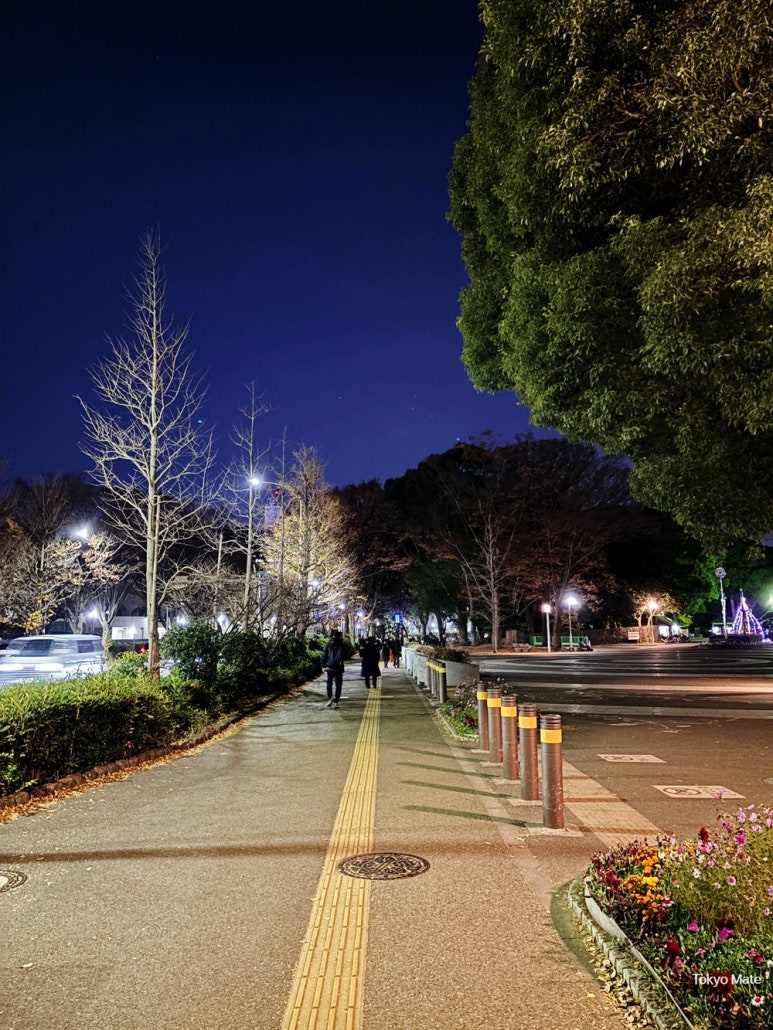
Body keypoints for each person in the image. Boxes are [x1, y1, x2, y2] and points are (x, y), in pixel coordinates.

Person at [322, 629, 346, 708]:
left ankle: (330, 697)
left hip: (330, 666)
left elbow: (324, 655)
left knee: (329, 682)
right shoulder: (342, 644)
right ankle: (336, 701)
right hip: (339, 667)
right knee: (338, 684)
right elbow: (345, 655)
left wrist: (323, 665)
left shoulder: (328, 643)